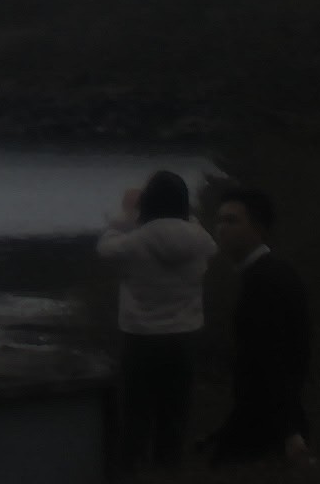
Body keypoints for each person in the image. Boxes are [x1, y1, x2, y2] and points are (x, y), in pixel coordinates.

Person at [98, 169, 216, 470]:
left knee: (135, 416)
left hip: (141, 338)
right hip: (185, 336)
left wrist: (126, 215)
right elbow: (199, 233)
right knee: (174, 415)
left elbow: (106, 248)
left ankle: (131, 472)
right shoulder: (201, 240)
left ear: (147, 204)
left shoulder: (135, 242)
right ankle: (168, 470)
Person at [203, 189, 310, 467]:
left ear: (259, 229)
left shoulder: (265, 282)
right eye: (220, 220)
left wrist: (289, 430)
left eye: (232, 221)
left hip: (264, 423)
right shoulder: (266, 274)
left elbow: (276, 357)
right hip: (262, 416)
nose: (221, 228)